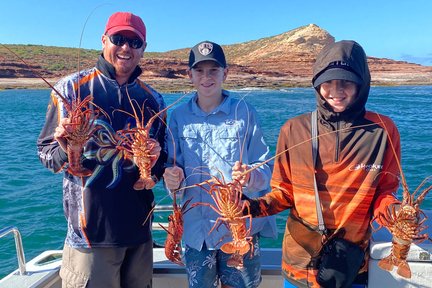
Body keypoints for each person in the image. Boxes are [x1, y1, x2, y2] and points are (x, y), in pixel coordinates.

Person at [244, 40, 401, 288]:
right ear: (317, 85)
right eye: (328, 82)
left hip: (349, 267)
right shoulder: (294, 129)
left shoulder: (383, 130)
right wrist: (250, 207)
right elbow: (284, 193)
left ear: (362, 84)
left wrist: (396, 213)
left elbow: (385, 192)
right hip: (299, 265)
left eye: (346, 82)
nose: (336, 90)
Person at [37, 12, 166, 288]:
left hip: (140, 235)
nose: (126, 48)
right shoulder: (70, 89)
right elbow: (45, 153)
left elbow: (163, 163)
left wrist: (156, 164)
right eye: (118, 39)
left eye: (135, 42)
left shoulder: (154, 99)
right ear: (104, 40)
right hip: (89, 238)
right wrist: (64, 150)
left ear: (143, 48)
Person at [163, 40, 277, 288]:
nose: (207, 77)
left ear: (225, 73)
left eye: (213, 70)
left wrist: (251, 176)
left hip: (240, 229)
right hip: (196, 231)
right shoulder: (178, 117)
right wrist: (170, 179)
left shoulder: (245, 112)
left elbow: (266, 167)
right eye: (200, 71)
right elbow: (173, 171)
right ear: (189, 75)